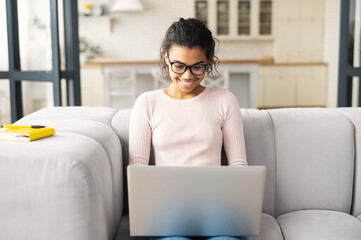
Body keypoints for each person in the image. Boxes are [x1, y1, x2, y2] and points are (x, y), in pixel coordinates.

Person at [129, 18, 250, 240]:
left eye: (197, 67)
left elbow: (239, 166)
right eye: (179, 65)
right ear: (166, 57)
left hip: (216, 208)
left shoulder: (225, 100)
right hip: (166, 211)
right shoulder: (147, 103)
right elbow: (138, 171)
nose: (187, 76)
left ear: (208, 62)